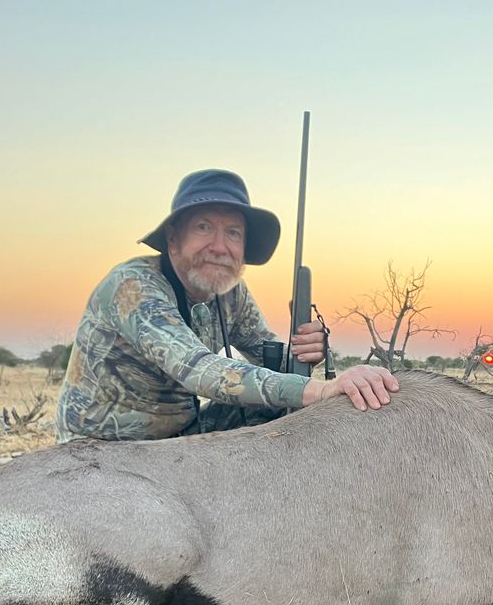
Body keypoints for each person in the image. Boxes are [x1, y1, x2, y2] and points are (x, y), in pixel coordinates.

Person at [56, 169, 398, 442]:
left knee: (280, 407)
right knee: (298, 397)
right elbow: (199, 370)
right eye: (203, 227)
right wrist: (320, 390)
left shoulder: (231, 292)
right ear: (173, 238)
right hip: (105, 445)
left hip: (182, 435)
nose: (220, 247)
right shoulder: (132, 286)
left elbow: (270, 359)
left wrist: (307, 351)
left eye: (233, 232)